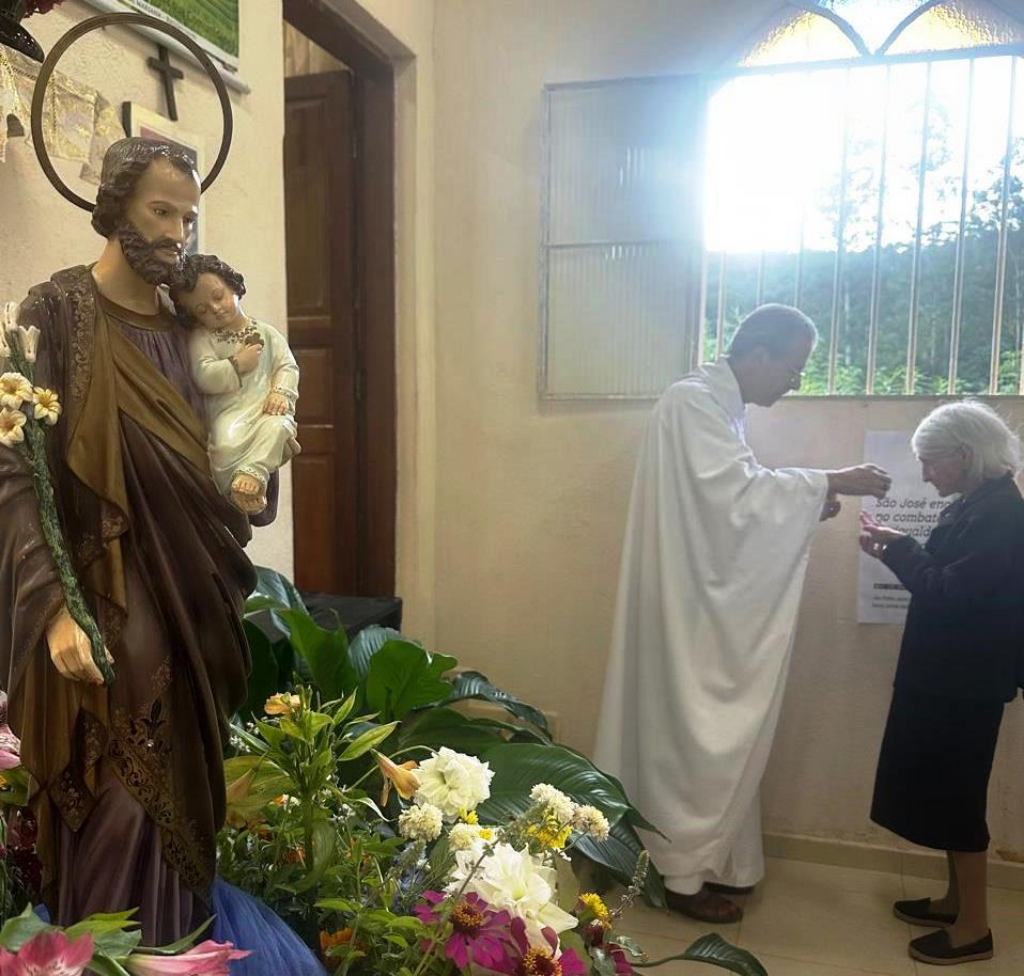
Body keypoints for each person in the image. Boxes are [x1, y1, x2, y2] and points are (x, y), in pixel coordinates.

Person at [0, 138, 262, 944]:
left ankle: (178, 942)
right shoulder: (57, 314)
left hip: (196, 586)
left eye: (188, 216)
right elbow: (16, 471)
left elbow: (232, 434)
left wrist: (255, 465)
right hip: (104, 586)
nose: (178, 232)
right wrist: (53, 608)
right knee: (118, 779)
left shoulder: (194, 327)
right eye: (161, 211)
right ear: (115, 208)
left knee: (185, 775)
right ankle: (114, 951)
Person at [594, 304, 891, 924]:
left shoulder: (716, 405)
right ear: (758, 354)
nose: (794, 382)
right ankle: (680, 875)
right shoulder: (692, 401)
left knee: (700, 733)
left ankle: (707, 861)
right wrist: (829, 481)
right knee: (693, 732)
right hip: (685, 609)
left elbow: (733, 503)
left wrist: (807, 504)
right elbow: (733, 496)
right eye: (793, 369)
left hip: (693, 600)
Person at [860, 401, 1024, 966]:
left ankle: (973, 929)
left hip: (964, 686)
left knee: (958, 803)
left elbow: (950, 595)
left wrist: (902, 548)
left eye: (931, 461)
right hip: (946, 680)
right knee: (946, 798)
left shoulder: (1000, 513)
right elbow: (941, 579)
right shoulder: (977, 505)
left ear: (965, 454)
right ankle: (957, 904)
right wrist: (895, 550)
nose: (925, 474)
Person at [171, 254, 300, 515]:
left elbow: (287, 366)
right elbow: (203, 375)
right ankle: (237, 492)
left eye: (218, 296)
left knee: (280, 426)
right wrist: (237, 363)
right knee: (225, 444)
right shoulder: (203, 339)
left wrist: (280, 393)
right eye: (202, 310)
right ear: (194, 317)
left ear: (233, 286)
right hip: (228, 412)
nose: (215, 309)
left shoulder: (267, 334)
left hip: (264, 408)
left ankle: (252, 477)